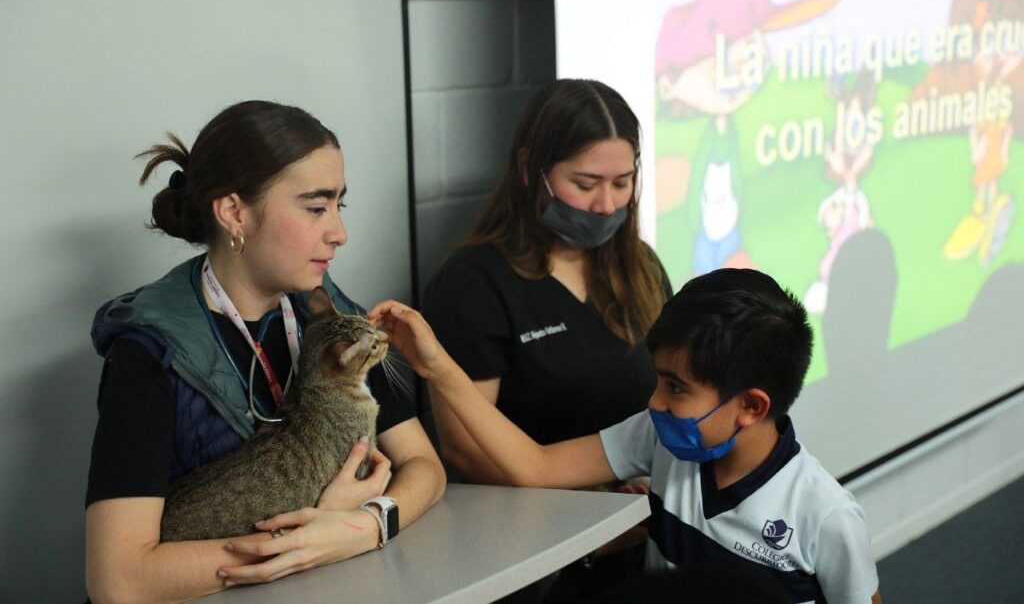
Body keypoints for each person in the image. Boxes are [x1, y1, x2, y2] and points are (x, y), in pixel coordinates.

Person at [85, 101, 445, 602]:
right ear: (234, 213)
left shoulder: (330, 320)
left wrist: (362, 527)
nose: (339, 232)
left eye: (341, 206)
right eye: (316, 207)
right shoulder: (150, 351)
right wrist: (304, 537)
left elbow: (425, 468)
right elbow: (119, 580)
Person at [372, 268, 883, 604]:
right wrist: (436, 366)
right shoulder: (660, 437)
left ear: (751, 406)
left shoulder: (825, 516)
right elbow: (536, 466)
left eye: (677, 388)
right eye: (659, 379)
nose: (655, 402)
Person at [421, 79, 670, 596]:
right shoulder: (475, 282)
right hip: (532, 560)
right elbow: (466, 451)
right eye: (585, 183)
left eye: (622, 182)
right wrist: (596, 500)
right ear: (531, 170)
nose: (606, 204)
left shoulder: (640, 268)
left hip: (632, 543)